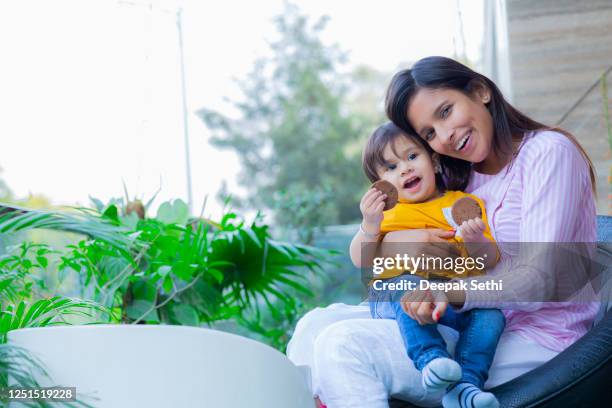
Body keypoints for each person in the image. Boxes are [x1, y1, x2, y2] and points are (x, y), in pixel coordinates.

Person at [286, 56, 598, 408]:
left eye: (446, 111)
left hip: (532, 334)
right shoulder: (461, 178)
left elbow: (540, 281)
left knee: (343, 345)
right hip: (460, 318)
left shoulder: (548, 153)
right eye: (429, 134)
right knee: (313, 326)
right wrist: (397, 244)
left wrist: (448, 291)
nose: (445, 136)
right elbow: (400, 244)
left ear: (480, 91)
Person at [352, 122, 503, 408]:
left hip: (451, 297)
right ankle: (430, 358)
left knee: (491, 313)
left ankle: (465, 387)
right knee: (410, 285)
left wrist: (475, 240)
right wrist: (369, 224)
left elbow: (489, 261)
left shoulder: (465, 203)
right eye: (391, 167)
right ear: (381, 187)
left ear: (433, 162)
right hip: (395, 293)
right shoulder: (387, 215)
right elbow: (360, 258)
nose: (405, 170)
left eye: (412, 157)